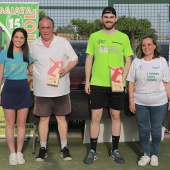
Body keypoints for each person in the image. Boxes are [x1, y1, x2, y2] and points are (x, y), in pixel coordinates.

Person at [84, 6, 133, 164]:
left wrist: (122, 78)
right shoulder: (94, 36)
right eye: (106, 17)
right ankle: (92, 151)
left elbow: (128, 60)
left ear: (116, 19)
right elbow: (89, 59)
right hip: (97, 83)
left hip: (117, 85)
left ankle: (115, 150)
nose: (109, 20)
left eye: (111, 17)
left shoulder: (124, 37)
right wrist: (87, 79)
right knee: (95, 117)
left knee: (115, 116)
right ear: (101, 19)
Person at [29, 16, 78, 162]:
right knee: (43, 119)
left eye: (48, 27)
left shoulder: (62, 42)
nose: (45, 30)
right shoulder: (32, 45)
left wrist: (65, 69)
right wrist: (30, 68)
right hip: (41, 91)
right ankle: (43, 149)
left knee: (61, 118)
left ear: (53, 28)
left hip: (61, 89)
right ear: (39, 29)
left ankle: (64, 148)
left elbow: (74, 59)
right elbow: (28, 62)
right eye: (42, 27)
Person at [127, 35, 170, 167]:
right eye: (144, 45)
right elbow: (131, 82)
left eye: (149, 44)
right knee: (144, 129)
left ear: (154, 46)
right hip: (140, 103)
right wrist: (131, 100)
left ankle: (154, 154)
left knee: (156, 129)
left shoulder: (162, 61)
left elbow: (167, 82)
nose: (146, 47)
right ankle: (145, 154)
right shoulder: (136, 62)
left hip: (159, 102)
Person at [0, 27, 33, 165]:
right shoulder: (3, 53)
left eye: (22, 38)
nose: (19, 40)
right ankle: (12, 154)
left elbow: (34, 69)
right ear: (12, 37)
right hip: (9, 89)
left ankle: (19, 153)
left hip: (23, 89)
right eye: (16, 37)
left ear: (25, 40)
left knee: (21, 123)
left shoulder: (27, 55)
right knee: (9, 124)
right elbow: (0, 74)